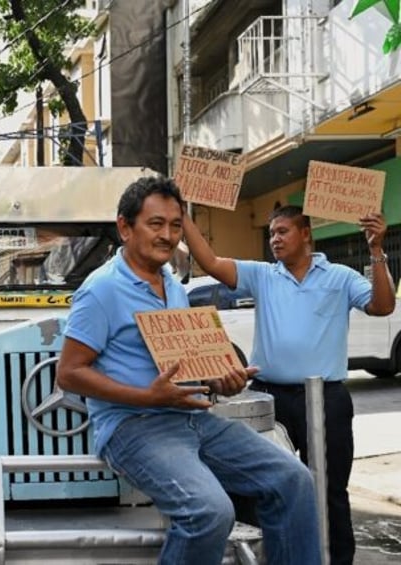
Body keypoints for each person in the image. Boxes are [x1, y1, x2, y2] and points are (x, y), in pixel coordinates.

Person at [56, 176, 321, 564]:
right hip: (134, 427)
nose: (167, 235)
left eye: (176, 225)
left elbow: (185, 362)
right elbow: (69, 373)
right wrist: (147, 396)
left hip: (192, 418)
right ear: (125, 227)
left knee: (294, 480)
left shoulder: (174, 285)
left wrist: (220, 380)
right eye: (156, 224)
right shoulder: (101, 290)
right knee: (210, 512)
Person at [182, 203, 395, 565]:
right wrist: (182, 212)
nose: (275, 240)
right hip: (270, 399)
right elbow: (211, 261)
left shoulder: (339, 276)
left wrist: (376, 250)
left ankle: (335, 559)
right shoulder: (263, 274)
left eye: (282, 232)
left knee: (329, 491)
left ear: (306, 234)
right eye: (271, 235)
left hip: (326, 400)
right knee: (266, 485)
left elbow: (382, 306)